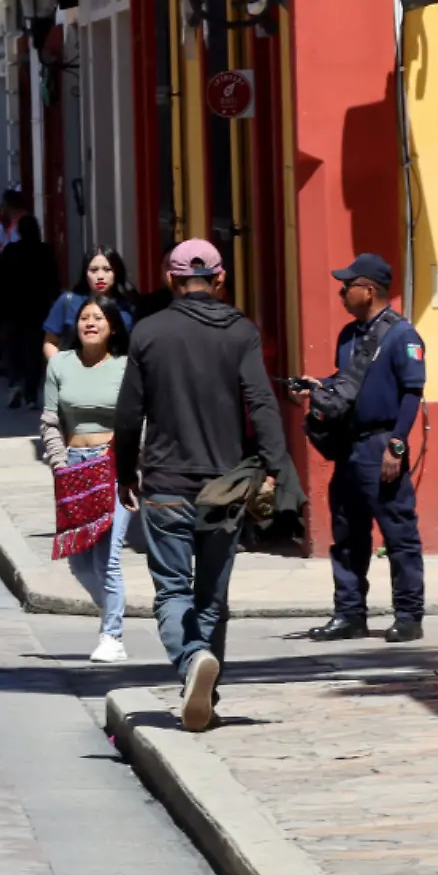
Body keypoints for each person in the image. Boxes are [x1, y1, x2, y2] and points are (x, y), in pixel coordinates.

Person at [114, 239, 291, 732]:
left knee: (173, 592)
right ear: (220, 280)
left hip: (166, 484)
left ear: (170, 280)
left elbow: (129, 414)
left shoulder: (148, 332)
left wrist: (125, 471)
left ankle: (192, 661)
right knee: (212, 597)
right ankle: (206, 699)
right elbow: (260, 401)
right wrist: (275, 466)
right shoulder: (241, 332)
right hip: (226, 487)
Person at [300, 253, 427, 643]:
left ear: (368, 290)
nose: (340, 292)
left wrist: (397, 445)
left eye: (346, 285)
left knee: (398, 533)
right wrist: (316, 387)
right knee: (347, 534)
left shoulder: (401, 335)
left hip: (381, 444)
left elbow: (411, 392)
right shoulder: (348, 335)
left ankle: (408, 615)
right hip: (349, 447)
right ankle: (350, 614)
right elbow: (346, 383)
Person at [42, 294, 133, 663]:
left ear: (112, 327)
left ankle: (113, 636)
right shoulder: (60, 365)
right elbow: (50, 420)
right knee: (78, 561)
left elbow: (137, 419)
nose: (90, 323)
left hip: (112, 465)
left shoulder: (127, 367)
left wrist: (132, 465)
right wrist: (60, 464)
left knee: (107, 559)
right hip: (73, 466)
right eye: (83, 318)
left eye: (98, 318)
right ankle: (112, 610)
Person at [0, 216, 60, 409]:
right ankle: (31, 395)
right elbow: (53, 280)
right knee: (33, 351)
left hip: (13, 307)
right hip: (37, 308)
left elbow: (2, 281)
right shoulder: (45, 251)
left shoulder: (11, 251)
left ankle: (15, 383)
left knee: (13, 349)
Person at [44, 246, 139, 364]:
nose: (100, 276)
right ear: (85, 273)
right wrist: (60, 368)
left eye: (107, 269)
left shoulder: (128, 306)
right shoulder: (68, 301)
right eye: (93, 270)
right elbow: (50, 342)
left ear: (116, 272)